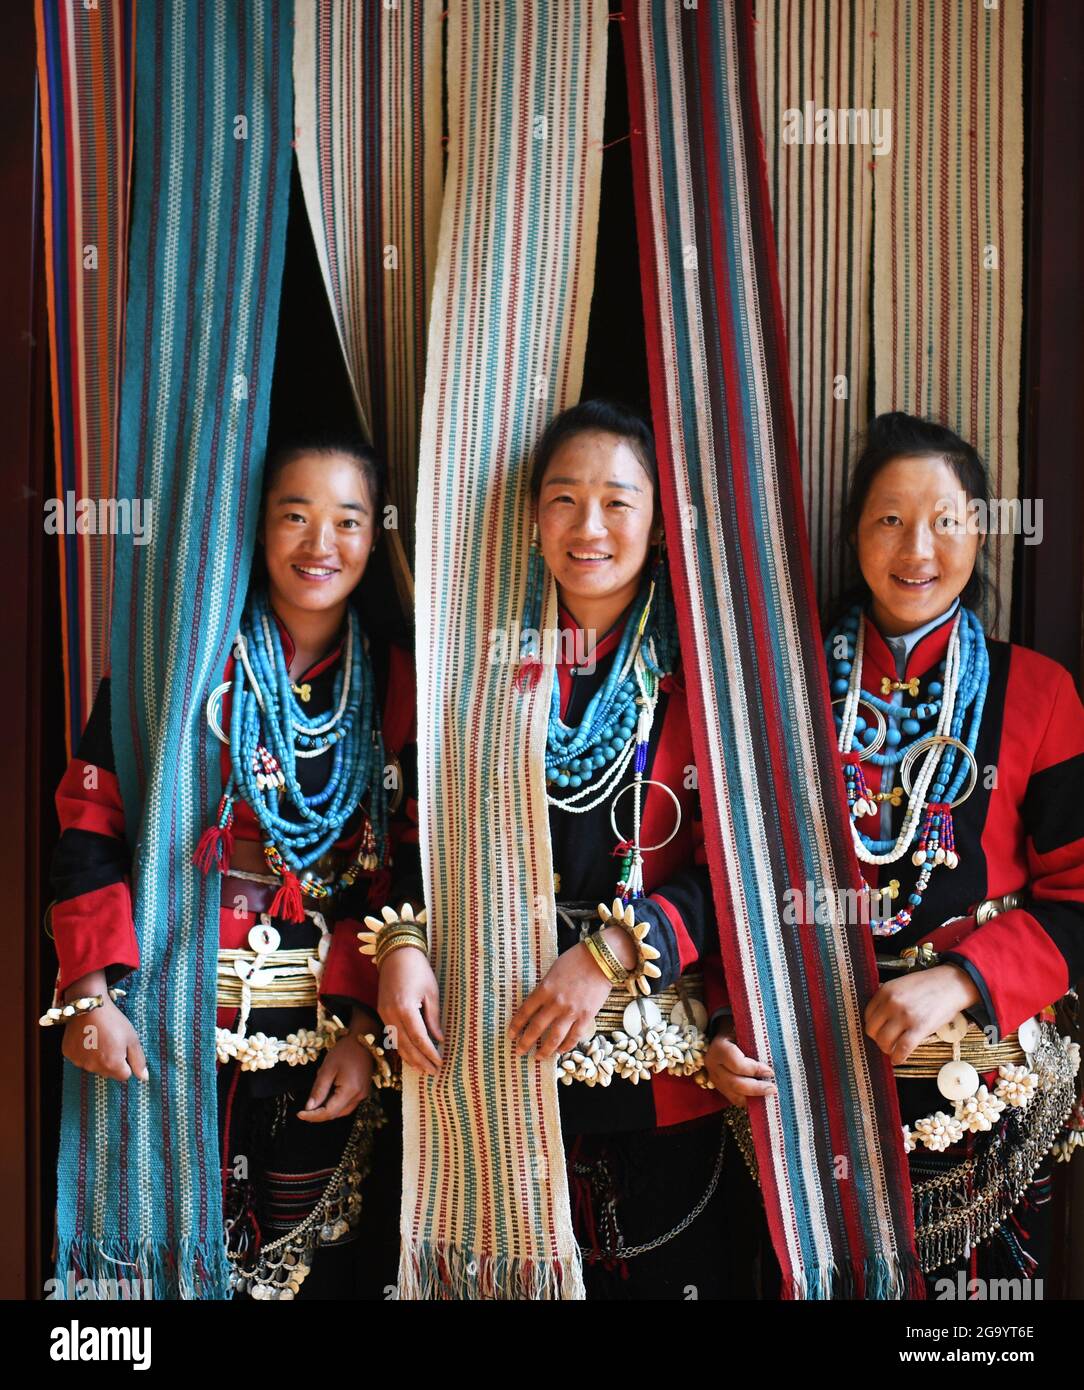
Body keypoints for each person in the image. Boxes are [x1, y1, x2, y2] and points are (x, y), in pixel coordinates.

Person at [368, 399, 737, 1299]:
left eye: (618, 501)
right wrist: (401, 946)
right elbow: (414, 837)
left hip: (656, 1071)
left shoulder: (710, 673)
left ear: (658, 523)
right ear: (533, 525)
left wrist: (614, 949)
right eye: (564, 501)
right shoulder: (472, 673)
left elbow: (741, 871)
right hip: (489, 1062)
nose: (590, 527)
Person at [708, 411, 1084, 1295]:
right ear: (852, 532)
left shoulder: (1039, 692)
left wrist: (963, 977)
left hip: (971, 1077)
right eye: (889, 519)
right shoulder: (785, 686)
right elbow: (730, 874)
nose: (918, 547)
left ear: (979, 531)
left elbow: (1079, 897)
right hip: (799, 1070)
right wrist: (725, 1019)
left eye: (945, 519)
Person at [45, 434, 419, 1299]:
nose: (319, 545)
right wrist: (91, 996)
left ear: (375, 536)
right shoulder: (173, 665)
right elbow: (91, 826)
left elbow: (401, 866)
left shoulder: (397, 682)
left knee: (302, 1276)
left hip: (319, 1036)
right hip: (161, 1023)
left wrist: (364, 1032)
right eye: (295, 516)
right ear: (256, 528)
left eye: (347, 521)